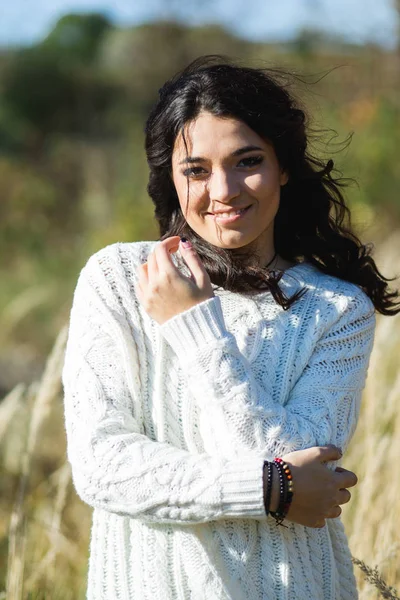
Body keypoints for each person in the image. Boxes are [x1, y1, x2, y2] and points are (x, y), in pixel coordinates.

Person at [62, 56, 399, 600]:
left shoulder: (337, 308)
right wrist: (268, 488)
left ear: (283, 165)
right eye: (196, 169)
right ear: (172, 179)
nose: (224, 190)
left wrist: (195, 328)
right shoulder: (118, 280)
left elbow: (305, 467)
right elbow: (102, 467)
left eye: (247, 161)